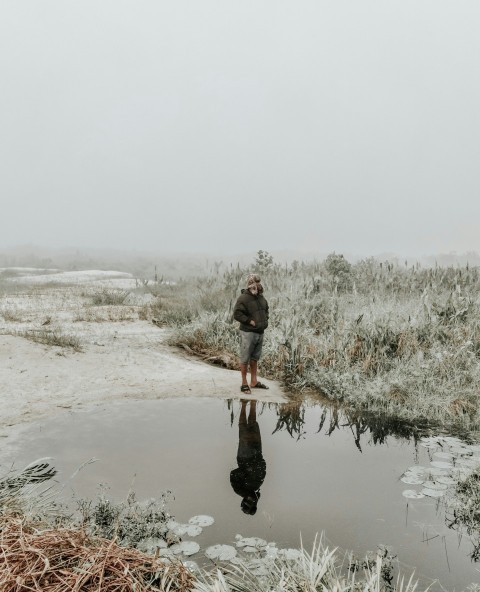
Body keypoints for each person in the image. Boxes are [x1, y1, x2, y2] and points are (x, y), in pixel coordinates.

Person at [233, 273, 269, 395]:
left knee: (254, 358)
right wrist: (250, 321)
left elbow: (266, 310)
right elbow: (237, 314)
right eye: (253, 283)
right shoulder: (243, 298)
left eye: (258, 283)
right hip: (248, 333)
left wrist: (265, 320)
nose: (256, 285)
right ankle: (244, 383)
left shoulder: (261, 297)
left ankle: (253, 382)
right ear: (249, 284)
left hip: (260, 332)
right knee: (245, 358)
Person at [230, 399, 266, 515]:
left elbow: (233, 474)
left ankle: (244, 405)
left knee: (243, 428)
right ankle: (253, 404)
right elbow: (263, 469)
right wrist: (260, 461)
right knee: (253, 425)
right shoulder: (256, 487)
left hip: (244, 456)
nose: (251, 499)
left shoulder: (239, 489)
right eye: (252, 502)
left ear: (244, 500)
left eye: (248, 501)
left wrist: (246, 471)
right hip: (256, 453)